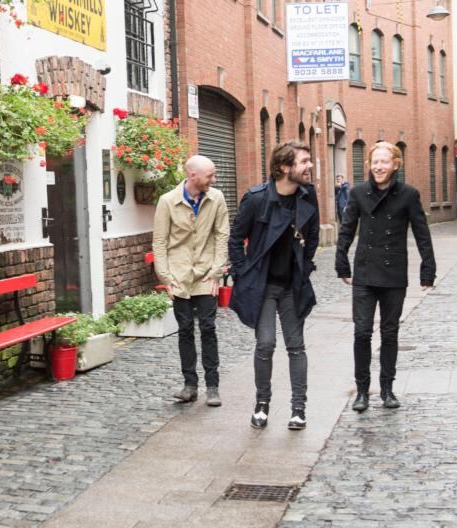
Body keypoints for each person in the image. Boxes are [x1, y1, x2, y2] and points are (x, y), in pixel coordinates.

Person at [336, 142, 436, 412]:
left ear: (395, 164)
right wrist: (341, 262)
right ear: (369, 165)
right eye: (374, 161)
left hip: (393, 274)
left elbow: (422, 234)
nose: (379, 166)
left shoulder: (408, 195)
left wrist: (428, 271)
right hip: (366, 272)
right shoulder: (358, 193)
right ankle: (362, 391)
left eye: (384, 161)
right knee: (362, 332)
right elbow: (347, 229)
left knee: (390, 332)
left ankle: (388, 389)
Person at [228, 140, 320, 430]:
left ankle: (298, 409)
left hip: (292, 284)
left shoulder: (308, 196)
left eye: (309, 160)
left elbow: (313, 236)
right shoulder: (256, 198)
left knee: (296, 346)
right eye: (304, 161)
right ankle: (262, 404)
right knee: (265, 344)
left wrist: (303, 266)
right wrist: (244, 274)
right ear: (284, 167)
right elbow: (234, 239)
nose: (310, 166)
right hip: (264, 286)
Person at [153, 155, 230, 407]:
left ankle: (213, 386)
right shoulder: (167, 202)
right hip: (179, 277)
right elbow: (160, 242)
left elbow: (222, 235)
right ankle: (189, 385)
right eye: (210, 175)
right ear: (193, 176)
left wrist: (217, 272)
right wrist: (166, 277)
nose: (214, 179)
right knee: (185, 330)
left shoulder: (216, 198)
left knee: (208, 328)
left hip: (206, 275)